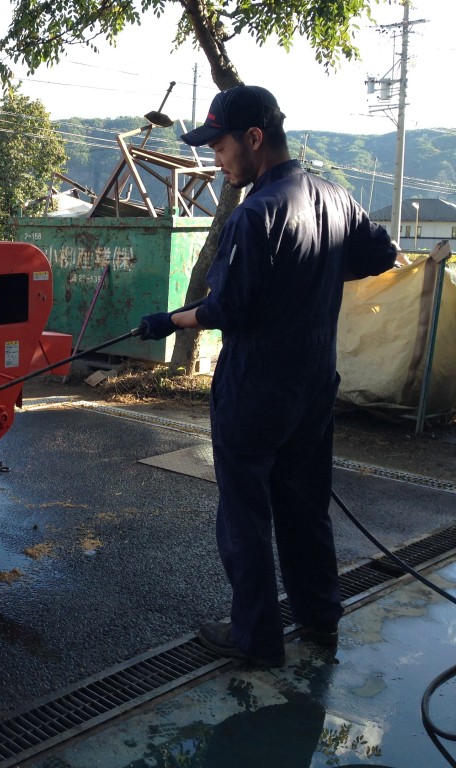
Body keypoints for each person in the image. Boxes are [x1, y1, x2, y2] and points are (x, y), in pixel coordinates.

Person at [138, 85, 398, 667]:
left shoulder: (255, 213)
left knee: (245, 514)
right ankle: (320, 619)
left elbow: (228, 309)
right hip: (314, 383)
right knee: (305, 506)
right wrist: (316, 274)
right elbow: (383, 254)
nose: (217, 160)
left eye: (220, 146)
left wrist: (168, 320)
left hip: (255, 387)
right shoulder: (336, 197)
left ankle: (256, 638)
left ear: (254, 138)